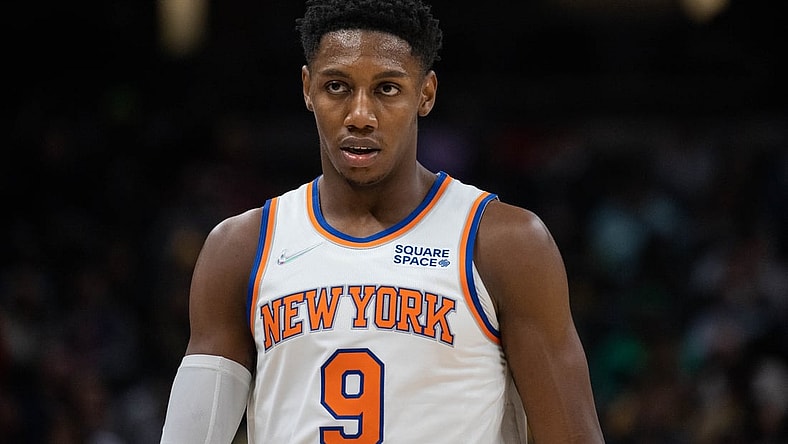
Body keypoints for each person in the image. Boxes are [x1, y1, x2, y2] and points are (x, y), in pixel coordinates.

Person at [160, 0, 604, 442]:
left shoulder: (506, 243)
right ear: (306, 88)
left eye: (387, 89)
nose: (360, 116)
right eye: (337, 87)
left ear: (426, 94)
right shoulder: (240, 249)